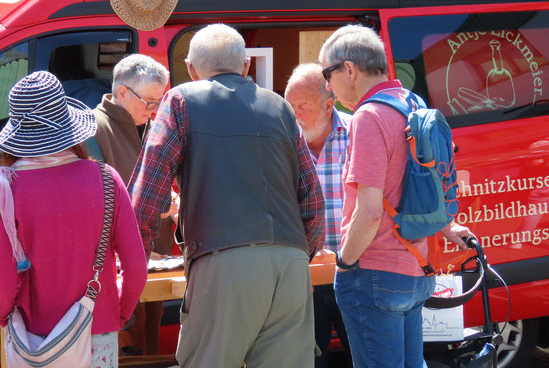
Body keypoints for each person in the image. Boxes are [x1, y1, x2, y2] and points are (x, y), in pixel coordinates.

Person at [129, 23, 325, 367]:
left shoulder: (180, 101)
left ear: (190, 68)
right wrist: (294, 255)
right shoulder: (280, 108)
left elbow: (146, 195)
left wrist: (134, 265)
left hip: (223, 261)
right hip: (291, 262)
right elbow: (313, 200)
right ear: (246, 66)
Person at [319, 24, 473, 368]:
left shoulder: (368, 116)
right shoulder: (412, 102)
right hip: (417, 268)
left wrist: (345, 262)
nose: (327, 86)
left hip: (374, 271)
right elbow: (428, 184)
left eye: (328, 74)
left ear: (349, 69)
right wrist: (447, 226)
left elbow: (370, 211)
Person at [0, 71, 147, 367]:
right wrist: (119, 313)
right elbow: (136, 267)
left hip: (35, 339)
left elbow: (4, 278)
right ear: (69, 125)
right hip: (98, 329)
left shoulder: (5, 188)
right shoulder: (107, 179)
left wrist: (0, 315)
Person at [85, 54, 175, 356]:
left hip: (152, 263)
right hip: (118, 272)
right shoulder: (94, 129)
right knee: (129, 351)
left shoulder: (144, 125)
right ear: (122, 92)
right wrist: (159, 208)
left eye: (158, 103)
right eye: (148, 102)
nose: (153, 112)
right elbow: (97, 205)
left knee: (148, 350)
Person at [285, 62, 352, 368]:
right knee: (309, 362)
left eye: (303, 106)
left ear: (328, 105)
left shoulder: (357, 134)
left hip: (354, 273)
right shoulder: (281, 145)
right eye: (289, 107)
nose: (294, 115)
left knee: (362, 358)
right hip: (304, 279)